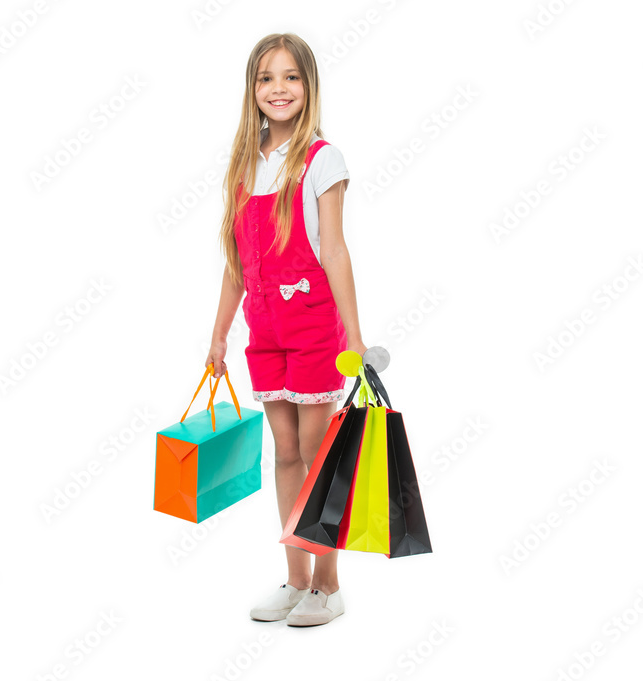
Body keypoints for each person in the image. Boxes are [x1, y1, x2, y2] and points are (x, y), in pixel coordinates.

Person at [205, 32, 367, 627]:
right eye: (267, 78)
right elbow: (236, 264)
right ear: (252, 89)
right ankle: (297, 578)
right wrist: (219, 334)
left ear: (309, 86)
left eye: (292, 77)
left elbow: (336, 251)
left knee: (319, 455)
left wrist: (354, 335)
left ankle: (329, 584)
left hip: (315, 329)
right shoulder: (245, 163)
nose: (279, 88)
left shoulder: (322, 158)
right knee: (285, 453)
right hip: (265, 331)